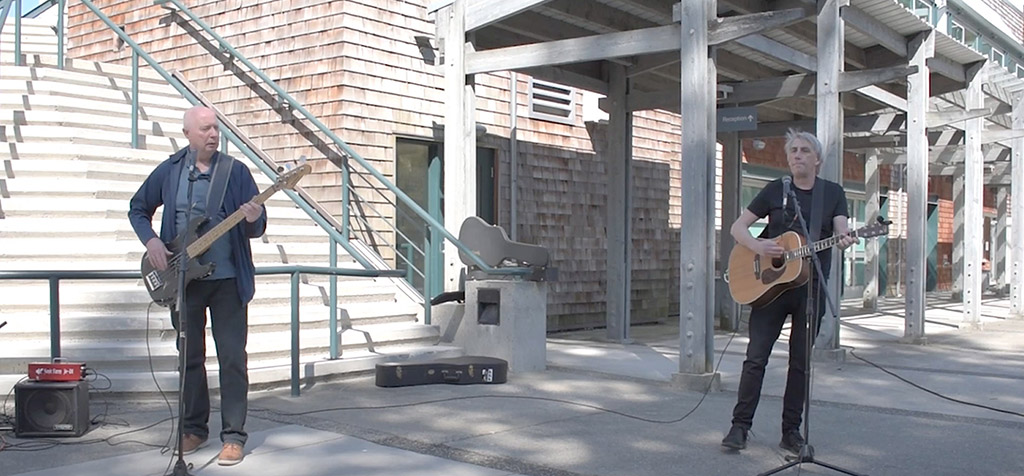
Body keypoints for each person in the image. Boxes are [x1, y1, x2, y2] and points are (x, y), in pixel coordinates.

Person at [129, 106, 266, 466]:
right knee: (189, 357)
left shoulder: (234, 172)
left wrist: (253, 218)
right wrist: (152, 242)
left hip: (227, 281)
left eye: (216, 128)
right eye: (205, 129)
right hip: (183, 280)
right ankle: (193, 429)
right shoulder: (172, 171)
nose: (213, 134)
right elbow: (138, 208)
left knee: (232, 358)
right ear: (188, 133)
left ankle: (234, 435)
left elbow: (256, 226)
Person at [721, 129, 858, 454]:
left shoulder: (832, 193)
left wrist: (846, 238)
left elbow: (841, 230)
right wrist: (758, 245)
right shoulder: (775, 190)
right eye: (793, 150)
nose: (797, 155)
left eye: (804, 150)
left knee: (800, 363)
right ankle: (740, 427)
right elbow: (737, 227)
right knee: (756, 359)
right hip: (769, 288)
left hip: (809, 290)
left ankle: (791, 432)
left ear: (817, 159)